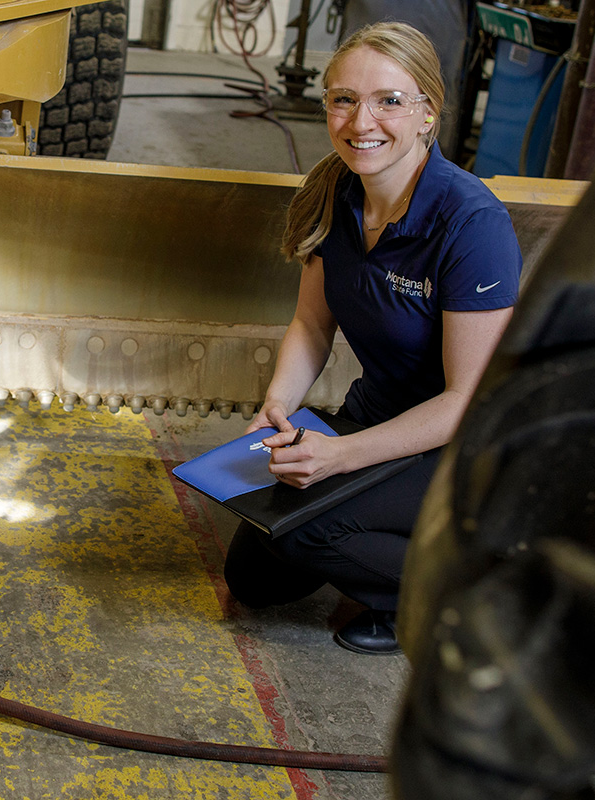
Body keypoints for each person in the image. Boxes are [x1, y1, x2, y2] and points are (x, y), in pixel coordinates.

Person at [224, 22, 522, 656]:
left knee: (309, 533)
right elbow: (312, 323)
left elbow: (468, 400)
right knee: (253, 576)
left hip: (464, 446)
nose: (363, 120)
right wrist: (277, 405)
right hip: (377, 414)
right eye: (343, 99)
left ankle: (461, 595)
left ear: (427, 113)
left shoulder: (470, 221)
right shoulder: (331, 190)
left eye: (389, 100)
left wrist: (340, 457)